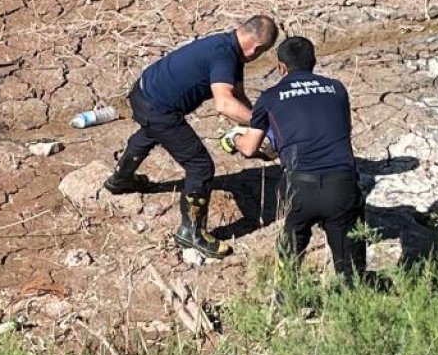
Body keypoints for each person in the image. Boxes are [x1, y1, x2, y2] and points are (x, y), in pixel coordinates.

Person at [103, 15, 279, 259]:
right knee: (200, 166)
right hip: (158, 108)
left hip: (144, 90)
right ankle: (192, 232)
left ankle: (120, 179)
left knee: (149, 132)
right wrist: (265, 127)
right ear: (257, 48)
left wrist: (254, 131)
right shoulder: (225, 56)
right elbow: (225, 104)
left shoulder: (227, 45)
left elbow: (237, 95)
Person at [228, 35, 370, 283]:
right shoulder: (336, 88)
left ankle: (287, 305)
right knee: (351, 273)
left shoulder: (270, 96)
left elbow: (250, 148)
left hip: (299, 188)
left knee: (290, 255)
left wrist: (232, 140)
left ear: (281, 66)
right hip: (341, 186)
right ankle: (351, 303)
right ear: (314, 62)